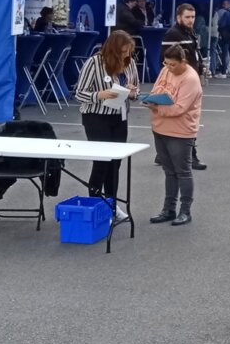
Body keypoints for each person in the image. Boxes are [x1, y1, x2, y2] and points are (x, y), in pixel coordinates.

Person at [74, 30, 139, 220]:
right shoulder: (94, 63)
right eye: (123, 51)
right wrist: (98, 95)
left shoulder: (130, 63)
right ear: (112, 49)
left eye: (128, 51)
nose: (126, 55)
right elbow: (79, 93)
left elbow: (135, 88)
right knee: (101, 162)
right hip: (96, 116)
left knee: (115, 163)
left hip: (120, 116)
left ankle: (111, 204)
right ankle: (95, 204)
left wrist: (133, 92)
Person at [146, 46, 203, 226]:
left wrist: (156, 107)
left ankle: (185, 211)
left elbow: (179, 108)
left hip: (180, 131)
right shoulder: (165, 70)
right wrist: (150, 99)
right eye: (166, 63)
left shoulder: (191, 79)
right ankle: (168, 209)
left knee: (183, 172)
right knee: (169, 171)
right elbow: (156, 90)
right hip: (160, 127)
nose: (169, 68)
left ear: (183, 62)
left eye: (173, 64)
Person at [162, 4, 207, 170]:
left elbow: (194, 53)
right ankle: (190, 157)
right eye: (187, 17)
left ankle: (163, 154)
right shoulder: (173, 34)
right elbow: (167, 60)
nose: (191, 20)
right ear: (178, 17)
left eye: (193, 17)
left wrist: (201, 67)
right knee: (188, 121)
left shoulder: (189, 32)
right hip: (181, 83)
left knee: (185, 120)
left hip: (191, 80)